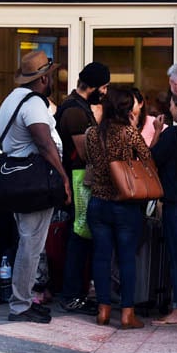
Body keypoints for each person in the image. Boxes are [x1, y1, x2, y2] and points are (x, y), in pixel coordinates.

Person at [0, 50, 70, 324]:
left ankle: (24, 299)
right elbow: (44, 142)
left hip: (20, 181)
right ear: (43, 79)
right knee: (31, 243)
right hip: (34, 183)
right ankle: (20, 305)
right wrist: (63, 177)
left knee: (30, 242)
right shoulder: (33, 103)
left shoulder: (12, 99)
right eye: (50, 76)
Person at [84, 87, 152, 329]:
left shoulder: (92, 133)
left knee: (101, 256)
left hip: (98, 201)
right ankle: (127, 313)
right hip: (126, 203)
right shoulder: (129, 134)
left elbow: (89, 161)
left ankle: (103, 310)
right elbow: (147, 160)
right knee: (126, 258)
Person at [55, 61, 110, 315]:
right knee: (78, 238)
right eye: (105, 87)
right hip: (77, 179)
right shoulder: (75, 111)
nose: (106, 93)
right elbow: (85, 152)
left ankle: (75, 293)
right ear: (95, 86)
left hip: (79, 178)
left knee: (82, 238)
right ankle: (71, 294)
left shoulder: (79, 106)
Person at [150, 90, 177, 327]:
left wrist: (157, 132)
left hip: (176, 203)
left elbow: (151, 160)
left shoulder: (173, 134)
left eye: (172, 105)